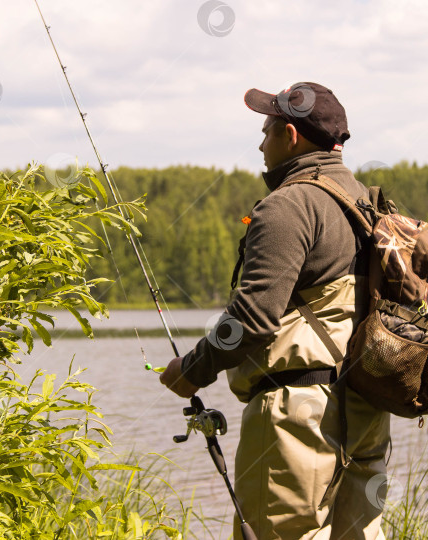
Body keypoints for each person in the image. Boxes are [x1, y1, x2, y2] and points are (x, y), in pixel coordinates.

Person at [160, 82, 390, 539]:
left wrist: (192, 369)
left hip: (297, 418)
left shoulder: (288, 205)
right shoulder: (367, 203)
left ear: (290, 135)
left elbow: (252, 318)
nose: (261, 143)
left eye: (266, 131)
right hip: (365, 411)